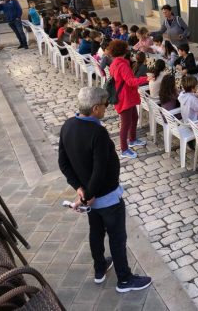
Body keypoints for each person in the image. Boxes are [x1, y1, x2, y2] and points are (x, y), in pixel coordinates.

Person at [58, 87, 152, 292]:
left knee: (96, 233)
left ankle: (100, 268)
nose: (107, 109)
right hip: (106, 197)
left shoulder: (67, 125)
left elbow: (63, 163)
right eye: (105, 105)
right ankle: (125, 280)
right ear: (95, 108)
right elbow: (100, 170)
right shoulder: (97, 132)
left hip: (90, 196)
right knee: (117, 237)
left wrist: (80, 189)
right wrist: (88, 195)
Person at [108, 40, 150, 159]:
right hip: (125, 97)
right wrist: (146, 79)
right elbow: (131, 81)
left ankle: (132, 139)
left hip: (126, 96)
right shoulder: (122, 64)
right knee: (125, 124)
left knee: (134, 117)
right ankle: (124, 149)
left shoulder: (115, 62)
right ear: (123, 51)